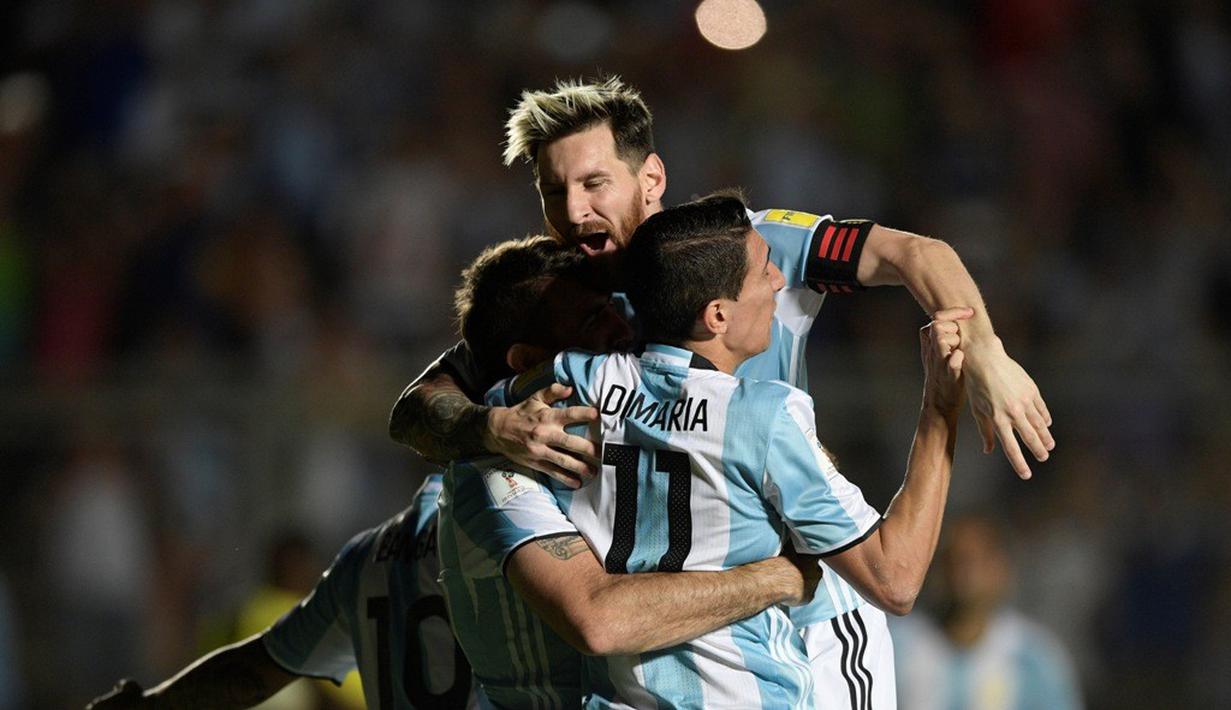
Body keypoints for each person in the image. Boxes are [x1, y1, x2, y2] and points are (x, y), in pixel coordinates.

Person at [389, 74, 1052, 486]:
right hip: (656, 618)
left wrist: (987, 351)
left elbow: (916, 254)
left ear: (650, 179)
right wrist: (492, 428)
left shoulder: (744, 244)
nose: (571, 211)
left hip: (789, 584)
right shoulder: (552, 297)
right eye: (552, 192)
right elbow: (416, 410)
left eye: (593, 184)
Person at [507, 194, 966, 707]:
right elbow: (895, 579)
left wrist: (490, 426)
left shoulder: (573, 380)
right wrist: (941, 411)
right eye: (765, 270)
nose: (777, 282)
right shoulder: (764, 417)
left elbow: (477, 398)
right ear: (717, 316)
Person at [436, 235, 825, 707]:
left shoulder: (615, 426)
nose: (621, 329)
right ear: (531, 363)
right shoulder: (495, 474)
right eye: (592, 322)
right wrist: (776, 578)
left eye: (612, 308)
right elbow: (599, 620)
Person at [86, 476, 475, 709]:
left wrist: (152, 704)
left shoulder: (364, 559)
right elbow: (338, 694)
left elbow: (247, 666)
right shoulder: (499, 544)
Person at [890, 514, 1083, 710]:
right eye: (954, 558)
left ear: (1003, 569)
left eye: (977, 559)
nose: (965, 572)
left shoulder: (1033, 658)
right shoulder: (895, 644)